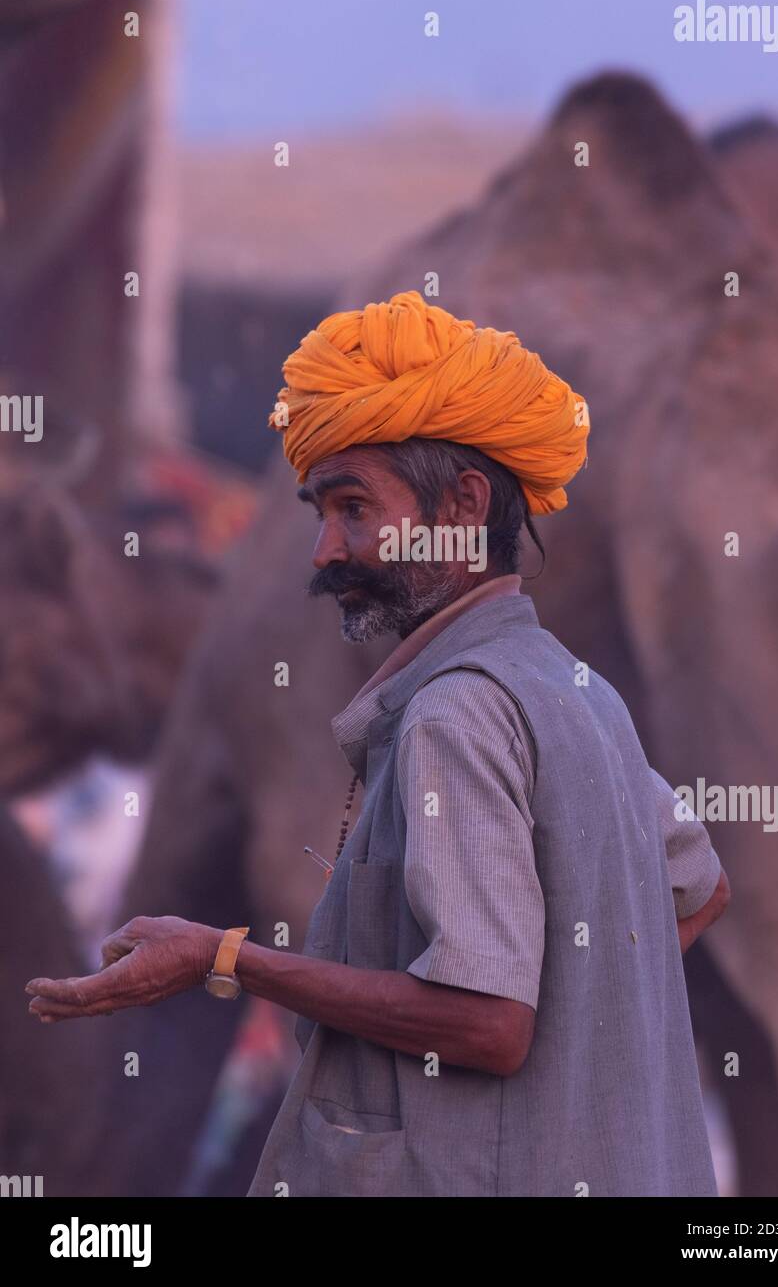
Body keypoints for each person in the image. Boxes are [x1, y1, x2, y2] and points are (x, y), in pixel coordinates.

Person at [27, 290, 729, 1197]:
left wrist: (224, 958)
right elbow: (702, 889)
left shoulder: (454, 716)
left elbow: (489, 1024)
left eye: (353, 507)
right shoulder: (577, 690)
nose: (325, 550)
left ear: (465, 504)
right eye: (320, 513)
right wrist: (572, 1044)